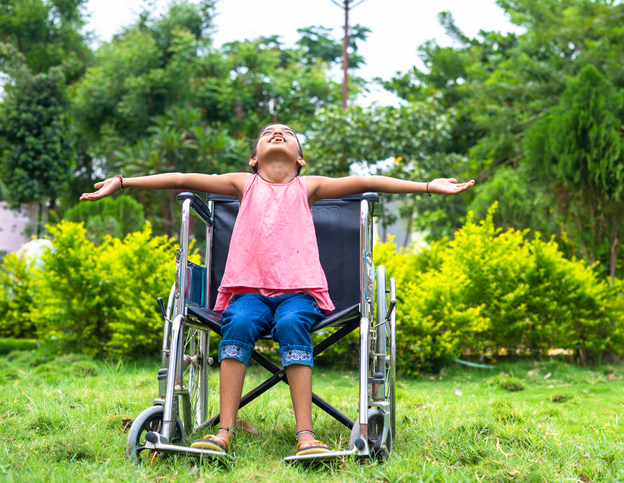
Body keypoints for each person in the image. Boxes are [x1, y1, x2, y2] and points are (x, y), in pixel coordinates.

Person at [80, 123, 474, 456]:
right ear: (254, 158)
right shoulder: (242, 183)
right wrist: (121, 181)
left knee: (291, 325)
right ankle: (224, 433)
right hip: (246, 293)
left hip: (299, 294)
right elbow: (182, 179)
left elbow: (369, 181)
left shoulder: (309, 187)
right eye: (269, 134)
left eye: (286, 134)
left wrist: (427, 186)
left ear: (300, 159)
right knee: (237, 324)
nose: (277, 134)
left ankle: (306, 436)